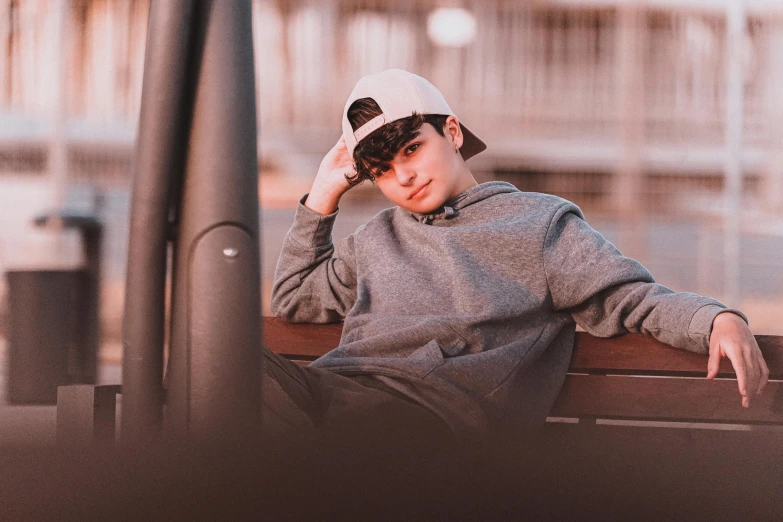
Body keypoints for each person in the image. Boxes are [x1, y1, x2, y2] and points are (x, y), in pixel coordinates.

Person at [265, 68, 769, 449]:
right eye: (382, 170)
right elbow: (293, 299)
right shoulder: (378, 237)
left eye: (413, 150)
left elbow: (630, 298)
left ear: (454, 133)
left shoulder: (539, 225)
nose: (404, 177)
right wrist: (323, 194)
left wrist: (714, 318)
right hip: (333, 396)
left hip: (430, 421)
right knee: (217, 366)